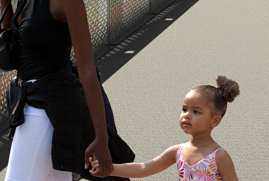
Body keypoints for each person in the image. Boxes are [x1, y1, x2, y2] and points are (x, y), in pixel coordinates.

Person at [1, 0, 133, 180]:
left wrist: (101, 137)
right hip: (33, 104)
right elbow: (13, 45)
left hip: (47, 110)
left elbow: (87, 69)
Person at [89, 77, 241, 180]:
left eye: (196, 111)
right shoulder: (178, 151)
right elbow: (144, 168)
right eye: (184, 109)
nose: (187, 115)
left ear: (215, 121)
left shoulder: (219, 156)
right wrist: (109, 169)